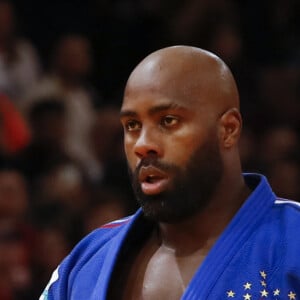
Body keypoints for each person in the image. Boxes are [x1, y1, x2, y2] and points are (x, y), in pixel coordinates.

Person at [40, 46, 300, 300]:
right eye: (132, 125)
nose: (142, 144)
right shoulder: (85, 262)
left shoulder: (292, 240)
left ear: (228, 130)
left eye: (168, 121)